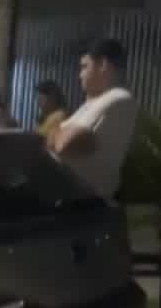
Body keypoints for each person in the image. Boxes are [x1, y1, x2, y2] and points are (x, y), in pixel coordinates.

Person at [50, 39, 139, 200]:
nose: (80, 74)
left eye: (85, 67)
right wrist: (58, 134)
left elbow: (65, 144)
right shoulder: (92, 102)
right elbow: (56, 139)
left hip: (82, 204)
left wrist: (57, 133)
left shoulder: (118, 98)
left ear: (103, 65)